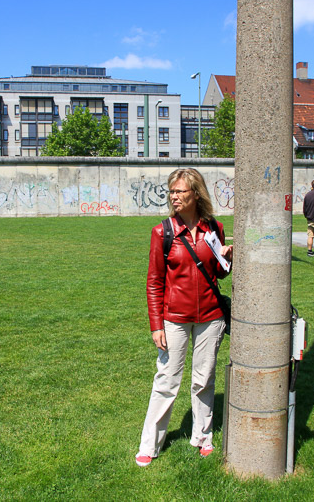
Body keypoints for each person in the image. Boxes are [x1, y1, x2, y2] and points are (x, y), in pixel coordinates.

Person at [136, 168, 233, 467]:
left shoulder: (214, 228)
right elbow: (154, 282)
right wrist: (156, 325)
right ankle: (150, 445)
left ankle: (203, 437)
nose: (174, 196)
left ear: (196, 194)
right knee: (166, 380)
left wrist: (226, 260)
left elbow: (218, 274)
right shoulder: (162, 232)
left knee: (204, 380)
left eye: (180, 191)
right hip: (174, 318)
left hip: (211, 317)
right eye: (172, 191)